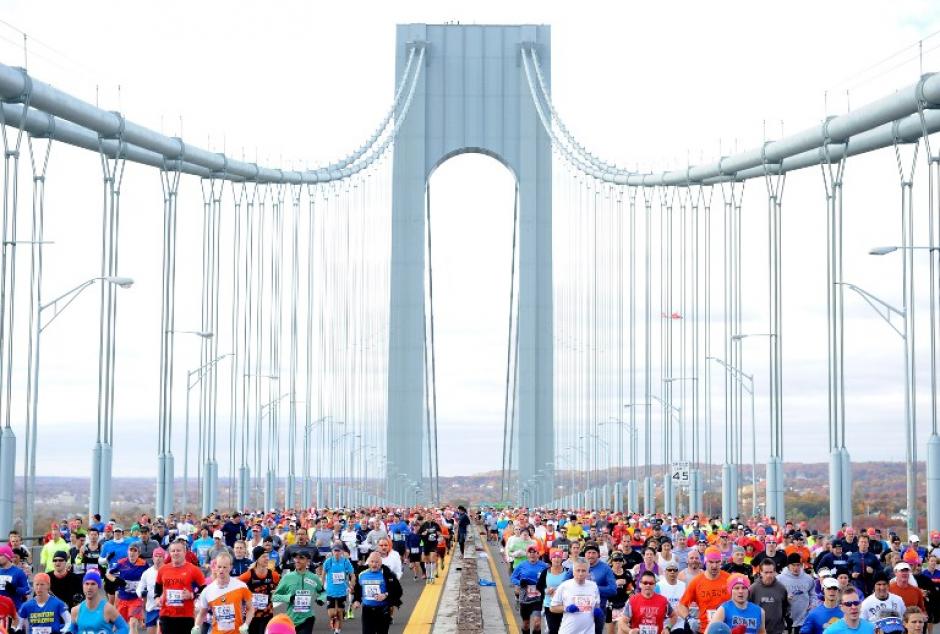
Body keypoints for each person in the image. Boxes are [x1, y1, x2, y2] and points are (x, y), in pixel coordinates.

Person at [154, 540, 207, 634]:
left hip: (186, 616)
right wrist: (157, 597)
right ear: (169, 553)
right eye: (173, 551)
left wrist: (192, 595)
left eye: (178, 550)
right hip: (166, 614)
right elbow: (157, 586)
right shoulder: (163, 569)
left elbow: (204, 588)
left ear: (185, 552)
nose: (175, 553)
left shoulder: (194, 570)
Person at [195, 552, 254, 634]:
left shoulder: (241, 586)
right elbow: (202, 614)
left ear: (230, 568)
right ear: (215, 567)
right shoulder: (207, 590)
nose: (221, 570)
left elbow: (250, 608)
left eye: (224, 567)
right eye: (219, 567)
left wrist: (246, 624)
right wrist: (196, 627)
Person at [677, 546, 731, 633]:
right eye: (711, 562)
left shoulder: (729, 579)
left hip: (727, 629)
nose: (714, 566)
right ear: (705, 562)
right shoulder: (697, 581)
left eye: (717, 562)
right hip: (705, 629)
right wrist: (689, 619)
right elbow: (681, 605)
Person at [272, 550, 325, 634]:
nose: (297, 560)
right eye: (296, 558)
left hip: (308, 618)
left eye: (301, 558)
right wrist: (288, 597)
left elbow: (323, 592)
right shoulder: (287, 577)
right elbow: (274, 596)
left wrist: (321, 599)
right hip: (291, 619)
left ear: (308, 561)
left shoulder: (313, 577)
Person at [350, 552, 403, 634]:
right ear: (368, 562)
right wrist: (357, 601)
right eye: (372, 562)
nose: (374, 564)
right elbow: (358, 590)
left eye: (377, 562)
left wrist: (385, 595)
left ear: (381, 563)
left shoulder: (387, 574)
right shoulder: (362, 574)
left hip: (383, 611)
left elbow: (398, 591)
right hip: (367, 611)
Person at [551, 559, 602, 634]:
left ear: (588, 572)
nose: (580, 574)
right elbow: (552, 608)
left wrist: (597, 609)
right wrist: (566, 608)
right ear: (573, 572)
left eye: (583, 571)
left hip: (588, 631)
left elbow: (597, 605)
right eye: (578, 570)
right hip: (568, 630)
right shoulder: (564, 586)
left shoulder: (593, 586)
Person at [107, 543, 149, 632]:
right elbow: (108, 574)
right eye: (131, 550)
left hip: (136, 599)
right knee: (119, 626)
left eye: (135, 551)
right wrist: (115, 580)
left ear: (138, 553)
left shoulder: (144, 564)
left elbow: (148, 579)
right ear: (127, 551)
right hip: (123, 599)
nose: (132, 553)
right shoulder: (121, 562)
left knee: (133, 623)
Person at [237, 547, 279, 634]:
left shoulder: (273, 575)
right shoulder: (248, 575)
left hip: (267, 615)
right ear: (257, 559)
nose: (267, 558)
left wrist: (277, 592)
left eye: (267, 556)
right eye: (264, 556)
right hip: (251, 615)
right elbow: (235, 586)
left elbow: (282, 588)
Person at [512, 546, 549, 634]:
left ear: (538, 554)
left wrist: (543, 585)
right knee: (526, 624)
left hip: (538, 597)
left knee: (537, 623)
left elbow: (549, 578)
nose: (532, 554)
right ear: (527, 554)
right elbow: (513, 577)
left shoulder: (544, 566)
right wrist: (520, 582)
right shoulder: (521, 565)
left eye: (534, 552)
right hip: (525, 597)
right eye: (530, 552)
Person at [749, 559, 789, 634]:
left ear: (775, 572)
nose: (769, 575)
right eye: (766, 572)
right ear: (760, 572)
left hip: (777, 631)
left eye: (771, 572)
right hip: (758, 631)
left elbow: (785, 608)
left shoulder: (781, 588)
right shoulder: (753, 589)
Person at [777, 553, 814, 633]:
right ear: (788, 566)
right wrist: (784, 598)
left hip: (803, 617)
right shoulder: (780, 579)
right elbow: (774, 595)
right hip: (786, 618)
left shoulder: (808, 579)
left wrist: (812, 603)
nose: (796, 568)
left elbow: (813, 594)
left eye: (798, 565)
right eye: (793, 565)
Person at [323, 543, 355, 634]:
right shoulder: (328, 562)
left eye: (338, 550)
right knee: (332, 613)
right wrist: (321, 587)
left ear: (342, 552)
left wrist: (351, 585)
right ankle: (334, 622)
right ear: (332, 552)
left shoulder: (345, 562)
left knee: (339, 612)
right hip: (331, 591)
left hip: (342, 591)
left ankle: (337, 630)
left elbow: (352, 575)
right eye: (335, 550)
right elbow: (323, 575)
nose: (336, 552)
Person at [136, 547, 165, 634]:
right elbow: (139, 588)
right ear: (153, 558)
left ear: (164, 558)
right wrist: (141, 593)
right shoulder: (147, 573)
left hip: (165, 608)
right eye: (156, 556)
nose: (158, 558)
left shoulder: (168, 571)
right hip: (151, 608)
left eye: (160, 556)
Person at [417, 515, 443, 584]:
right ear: (425, 518)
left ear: (432, 517)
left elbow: (440, 533)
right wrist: (423, 533)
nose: (428, 518)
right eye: (427, 517)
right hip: (426, 544)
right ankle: (428, 577)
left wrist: (439, 536)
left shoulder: (436, 525)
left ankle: (432, 577)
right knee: (427, 561)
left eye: (430, 517)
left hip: (433, 544)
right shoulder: (424, 525)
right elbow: (419, 534)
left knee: (433, 559)